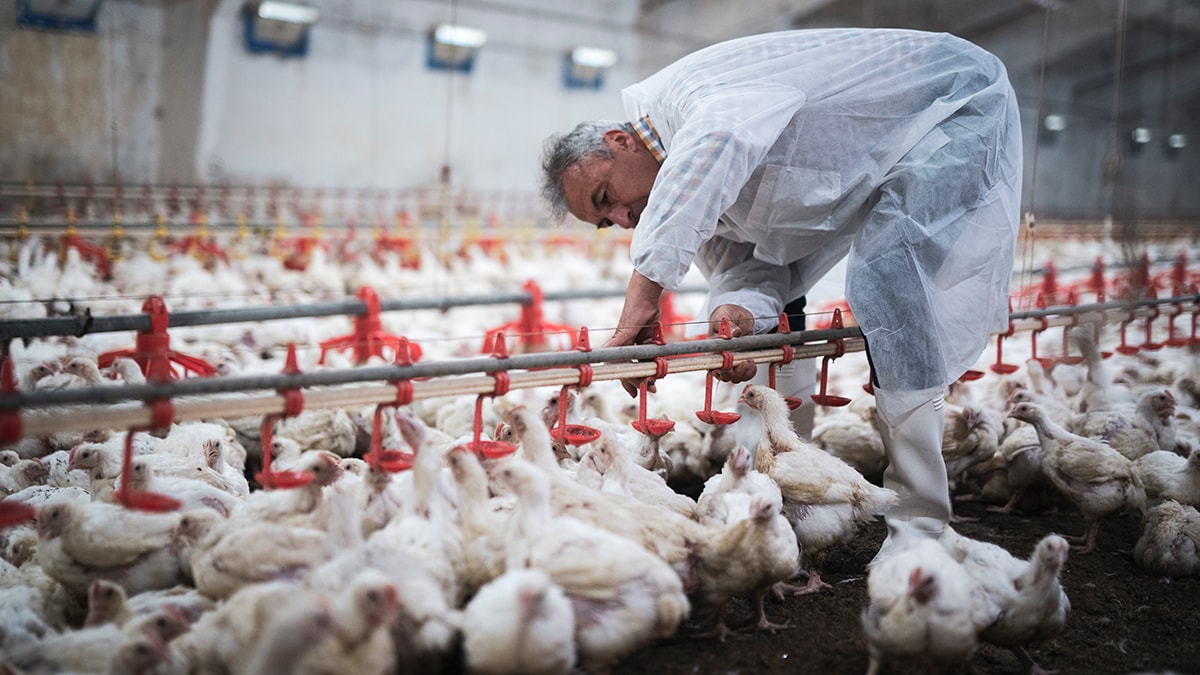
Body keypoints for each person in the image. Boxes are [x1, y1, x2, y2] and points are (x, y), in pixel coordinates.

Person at [538, 28, 1022, 556]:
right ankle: (796, 470)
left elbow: (716, 144)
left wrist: (644, 290)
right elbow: (750, 273)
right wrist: (735, 315)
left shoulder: (689, 101)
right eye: (606, 221)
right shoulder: (688, 200)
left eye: (607, 196)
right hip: (901, 148)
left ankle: (922, 524)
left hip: (950, 105)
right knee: (859, 289)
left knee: (889, 278)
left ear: (621, 141)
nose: (622, 217)